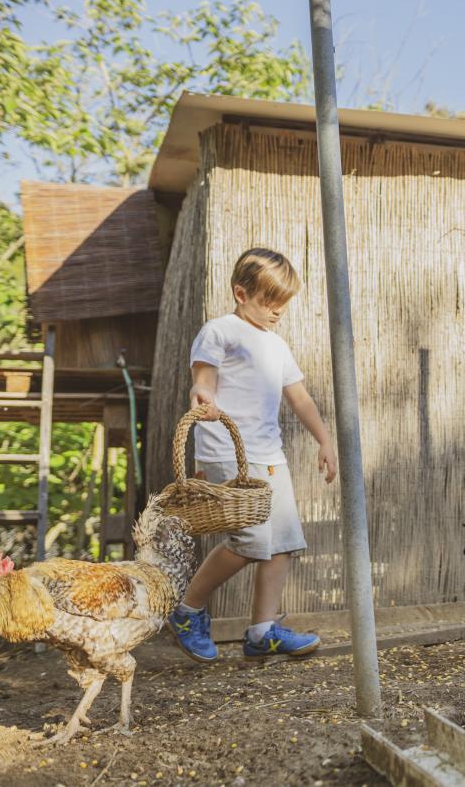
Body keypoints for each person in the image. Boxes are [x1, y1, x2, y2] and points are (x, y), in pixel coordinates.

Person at [170, 248, 338, 661]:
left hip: (270, 456)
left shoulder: (276, 345)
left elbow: (299, 398)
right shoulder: (219, 331)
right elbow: (203, 381)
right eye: (269, 301)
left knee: (281, 543)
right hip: (227, 451)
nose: (278, 310)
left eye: (283, 303)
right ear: (240, 293)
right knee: (248, 542)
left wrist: (325, 439)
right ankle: (187, 610)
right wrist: (202, 396)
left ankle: (261, 632)